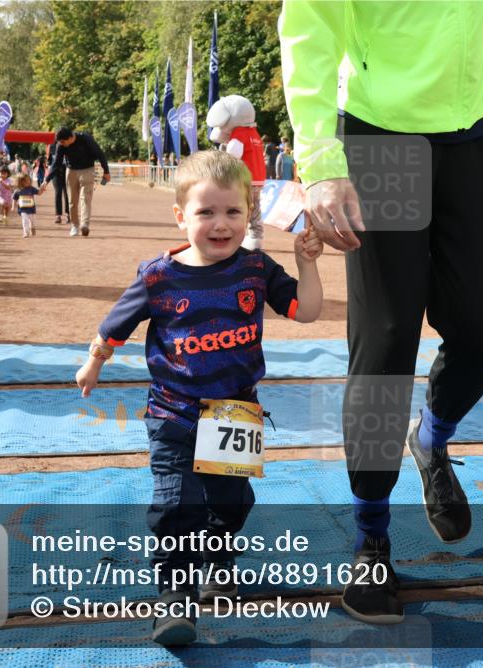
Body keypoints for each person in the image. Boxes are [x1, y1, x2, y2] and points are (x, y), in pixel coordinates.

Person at [279, 1, 483, 624]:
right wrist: (321, 163)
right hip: (384, 135)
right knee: (386, 340)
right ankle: (371, 537)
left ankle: (431, 437)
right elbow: (309, 28)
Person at [74, 150, 323, 646]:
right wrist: (95, 361)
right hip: (172, 412)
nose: (220, 224)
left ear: (249, 214)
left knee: (231, 503)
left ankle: (218, 557)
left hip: (236, 411)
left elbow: (307, 311)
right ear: (180, 216)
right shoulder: (158, 276)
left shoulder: (256, 270)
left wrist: (306, 264)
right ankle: (175, 598)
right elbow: (116, 324)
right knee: (175, 504)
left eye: (232, 212)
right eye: (205, 212)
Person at [39, 126, 110, 237]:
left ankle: (84, 224)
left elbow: (99, 153)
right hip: (71, 171)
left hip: (87, 170)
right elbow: (56, 163)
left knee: (85, 198)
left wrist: (106, 171)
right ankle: (74, 225)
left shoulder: (86, 138)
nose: (61, 144)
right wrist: (46, 180)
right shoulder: (61, 145)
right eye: (60, 142)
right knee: (72, 201)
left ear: (71, 137)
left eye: (63, 141)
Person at [45, 141, 70, 224]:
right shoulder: (52, 145)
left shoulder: (68, 144)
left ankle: (68, 214)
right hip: (55, 171)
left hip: (67, 170)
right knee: (58, 192)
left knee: (67, 193)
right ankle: (58, 215)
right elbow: (49, 161)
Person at [12, 173, 38, 238]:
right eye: (26, 181)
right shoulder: (18, 191)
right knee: (25, 220)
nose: (28, 182)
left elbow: (39, 192)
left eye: (29, 180)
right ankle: (26, 232)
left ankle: (33, 227)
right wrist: (13, 207)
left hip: (31, 209)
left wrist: (42, 189)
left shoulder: (31, 188)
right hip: (23, 209)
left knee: (33, 221)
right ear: (21, 182)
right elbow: (14, 199)